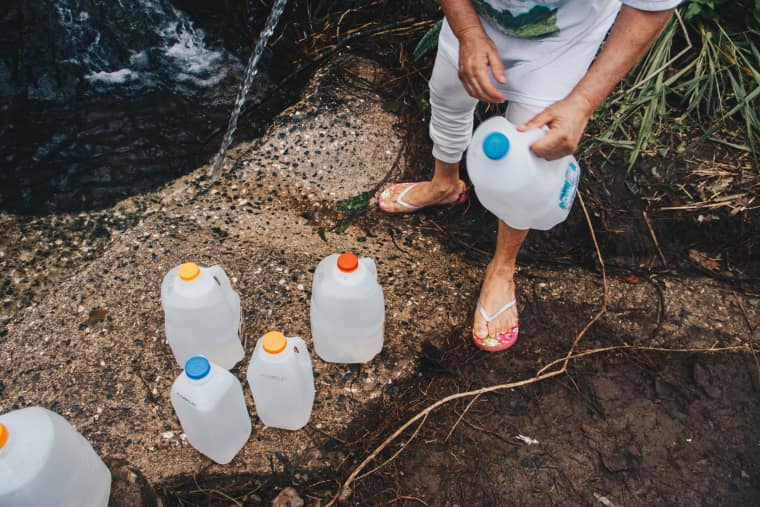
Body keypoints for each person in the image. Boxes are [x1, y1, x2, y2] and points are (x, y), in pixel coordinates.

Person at [378, 0, 680, 352]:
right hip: (477, 14)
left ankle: (502, 267)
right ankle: (444, 184)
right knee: (447, 93)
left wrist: (582, 102)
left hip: (563, 39)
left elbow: (651, 8)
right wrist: (468, 31)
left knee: (533, 152)